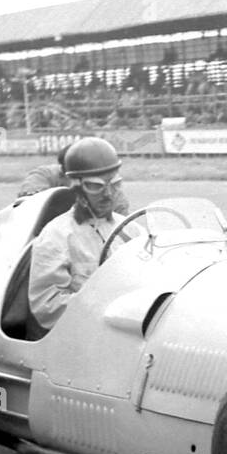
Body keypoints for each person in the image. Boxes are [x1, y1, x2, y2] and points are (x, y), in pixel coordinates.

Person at [27, 137, 138, 332]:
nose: (108, 194)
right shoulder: (56, 236)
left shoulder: (131, 229)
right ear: (77, 188)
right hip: (84, 337)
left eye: (114, 184)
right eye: (96, 186)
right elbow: (46, 307)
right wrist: (107, 311)